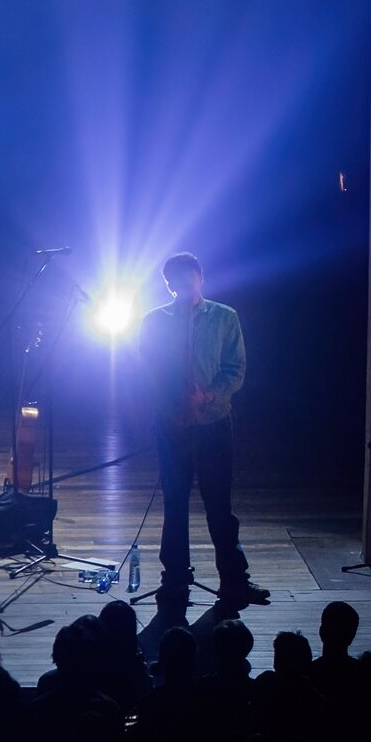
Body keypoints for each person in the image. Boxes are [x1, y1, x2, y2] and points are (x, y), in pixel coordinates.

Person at [138, 252, 267, 626]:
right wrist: (172, 406)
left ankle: (234, 582)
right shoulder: (154, 321)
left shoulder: (225, 317)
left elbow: (235, 369)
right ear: (167, 285)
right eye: (173, 281)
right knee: (175, 505)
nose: (180, 286)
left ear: (199, 276)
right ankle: (175, 582)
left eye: (186, 278)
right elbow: (146, 371)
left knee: (219, 507)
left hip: (213, 423)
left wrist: (207, 396)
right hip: (171, 426)